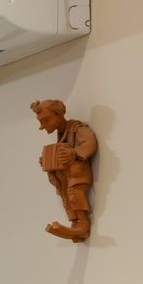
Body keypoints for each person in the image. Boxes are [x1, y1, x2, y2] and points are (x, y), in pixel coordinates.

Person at [33, 99, 96, 241]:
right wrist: (47, 160)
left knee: (73, 194)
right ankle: (75, 223)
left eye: (46, 120)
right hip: (65, 178)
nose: (42, 127)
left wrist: (74, 153)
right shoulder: (61, 135)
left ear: (59, 114)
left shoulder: (77, 129)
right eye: (40, 122)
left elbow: (90, 143)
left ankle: (83, 222)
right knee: (66, 196)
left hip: (76, 175)